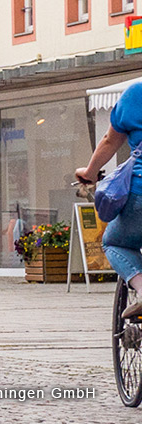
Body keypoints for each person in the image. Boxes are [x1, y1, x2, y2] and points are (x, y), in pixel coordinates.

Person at [77, 81, 142, 321]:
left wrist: (90, 172)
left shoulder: (136, 94)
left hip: (140, 194)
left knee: (115, 243)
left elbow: (110, 141)